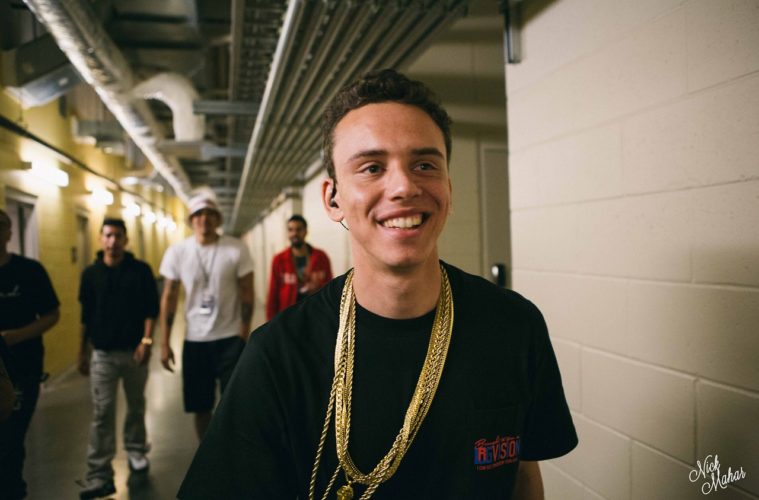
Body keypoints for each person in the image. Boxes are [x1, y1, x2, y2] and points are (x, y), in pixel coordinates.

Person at [178, 69, 577, 499]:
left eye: (424, 165)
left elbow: (522, 475)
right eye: (372, 167)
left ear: (448, 188)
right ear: (332, 199)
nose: (404, 186)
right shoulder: (278, 355)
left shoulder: (514, 326)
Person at [76, 218, 160, 499]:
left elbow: (151, 310)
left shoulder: (140, 271)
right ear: (101, 238)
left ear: (126, 240)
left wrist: (146, 341)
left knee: (136, 404)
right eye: (108, 235)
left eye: (118, 236)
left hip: (135, 352)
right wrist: (81, 351)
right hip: (102, 355)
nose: (113, 241)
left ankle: (136, 449)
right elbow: (86, 317)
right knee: (102, 412)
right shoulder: (90, 274)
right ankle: (99, 471)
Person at [159, 194, 254, 439]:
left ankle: (232, 454)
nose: (204, 219)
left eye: (210, 214)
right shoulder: (178, 252)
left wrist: (243, 335)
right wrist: (164, 342)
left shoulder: (236, 248)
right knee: (200, 408)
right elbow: (169, 296)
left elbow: (247, 291)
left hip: (230, 338)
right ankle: (207, 453)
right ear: (191, 220)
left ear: (218, 219)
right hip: (195, 341)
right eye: (198, 214)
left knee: (234, 405)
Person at [0, 208, 60, 500]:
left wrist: (14, 337)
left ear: (10, 232)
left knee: (10, 439)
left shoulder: (29, 271)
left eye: (0, 225)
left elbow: (51, 314)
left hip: (22, 368)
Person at [266, 214, 333, 320]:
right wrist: (271, 323)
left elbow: (330, 289)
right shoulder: (279, 260)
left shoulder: (321, 257)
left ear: (305, 231)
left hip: (316, 316)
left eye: (298, 229)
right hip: (288, 317)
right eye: (290, 230)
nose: (294, 233)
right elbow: (273, 294)